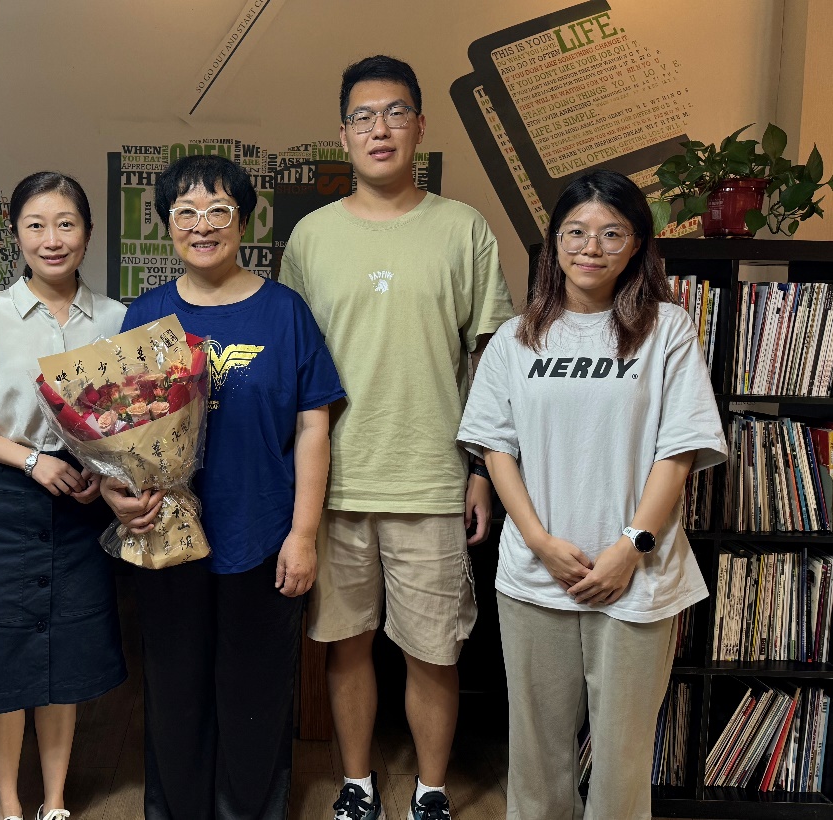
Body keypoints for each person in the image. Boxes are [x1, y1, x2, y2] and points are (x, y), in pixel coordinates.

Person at [279, 55, 515, 820]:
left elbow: (491, 362)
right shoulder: (310, 238)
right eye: (363, 116)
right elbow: (293, 368)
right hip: (336, 482)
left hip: (432, 479)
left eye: (395, 113)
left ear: (420, 126)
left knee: (433, 649)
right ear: (343, 134)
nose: (379, 129)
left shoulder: (463, 229)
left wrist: (480, 471)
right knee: (346, 645)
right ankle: (356, 784)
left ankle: (431, 790)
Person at [457, 169, 726, 819]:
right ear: (554, 243)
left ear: (636, 246)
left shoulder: (667, 330)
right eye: (575, 232)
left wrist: (632, 547)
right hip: (534, 574)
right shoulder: (516, 340)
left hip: (637, 576)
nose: (591, 247)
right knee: (536, 757)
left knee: (621, 759)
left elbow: (679, 450)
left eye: (612, 233)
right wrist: (540, 542)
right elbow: (497, 449)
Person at [102, 153, 345, 820]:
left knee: (255, 694)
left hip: (261, 531)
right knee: (174, 691)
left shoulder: (284, 312)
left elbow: (313, 427)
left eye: (218, 211)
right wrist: (117, 493)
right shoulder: (147, 314)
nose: (202, 225)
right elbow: (116, 431)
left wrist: (302, 535)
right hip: (168, 534)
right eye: (185, 212)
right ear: (167, 226)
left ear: (244, 222)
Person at [0, 171, 127, 820]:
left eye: (66, 224)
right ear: (16, 234)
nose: (52, 239)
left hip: (80, 508)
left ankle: (55, 801)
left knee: (64, 658)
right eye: (36, 225)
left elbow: (127, 418)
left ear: (88, 234)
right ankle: (10, 805)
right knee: (2, 660)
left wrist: (102, 471)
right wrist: (32, 461)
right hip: (2, 503)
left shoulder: (116, 319)